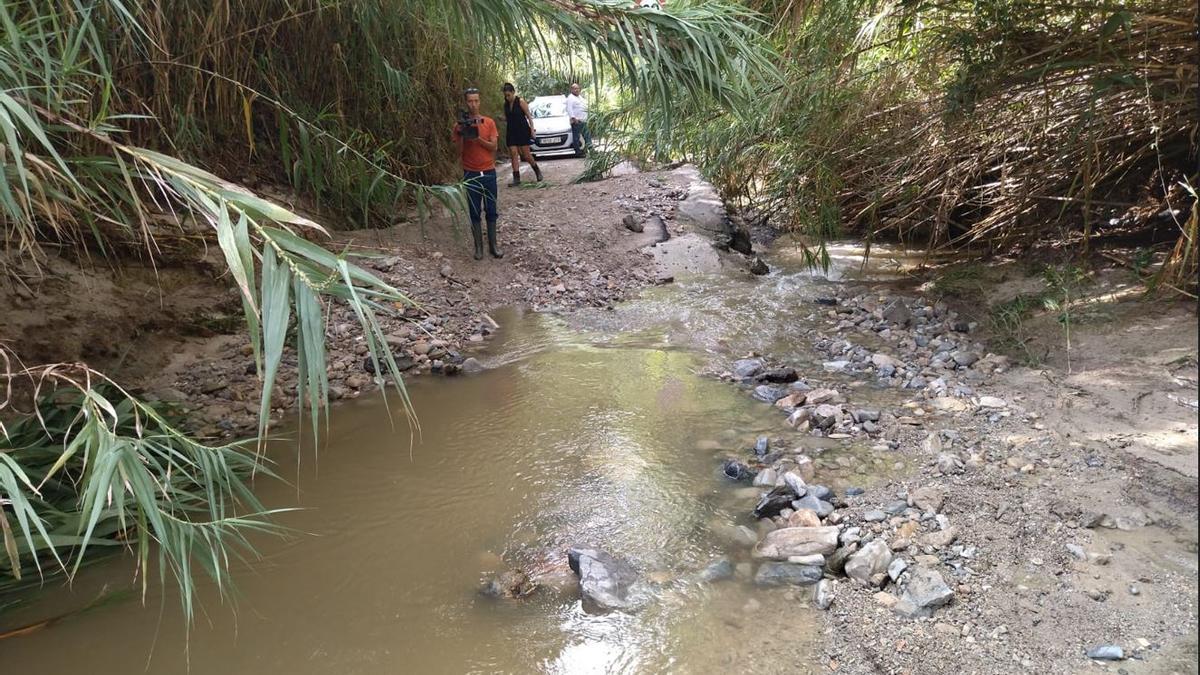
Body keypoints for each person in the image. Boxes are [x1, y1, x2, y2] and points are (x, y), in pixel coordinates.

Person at [452, 87, 503, 259]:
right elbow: (457, 152)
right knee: (474, 211)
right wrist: (461, 134)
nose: (473, 104)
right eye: (470, 101)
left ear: (479, 101)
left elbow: (493, 147)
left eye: (476, 100)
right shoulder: (459, 125)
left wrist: (477, 138)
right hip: (470, 173)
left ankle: (493, 245)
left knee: (491, 209)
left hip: (488, 171)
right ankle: (478, 248)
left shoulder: (488, 123)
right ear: (466, 103)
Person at [501, 83, 542, 186]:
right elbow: (508, 117)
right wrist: (502, 119)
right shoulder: (505, 104)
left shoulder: (520, 102)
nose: (507, 97)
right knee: (513, 153)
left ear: (513, 92)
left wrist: (532, 130)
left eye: (509, 95)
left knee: (526, 155)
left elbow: (529, 116)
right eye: (505, 95)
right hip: (511, 131)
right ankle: (516, 178)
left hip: (522, 130)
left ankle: (536, 170)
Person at [565, 83, 591, 155]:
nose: (577, 90)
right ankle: (577, 152)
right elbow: (569, 109)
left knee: (587, 136)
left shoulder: (580, 97)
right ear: (571, 90)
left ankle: (591, 150)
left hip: (583, 120)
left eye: (578, 88)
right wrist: (573, 118)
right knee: (576, 137)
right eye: (575, 88)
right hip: (576, 121)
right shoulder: (570, 98)